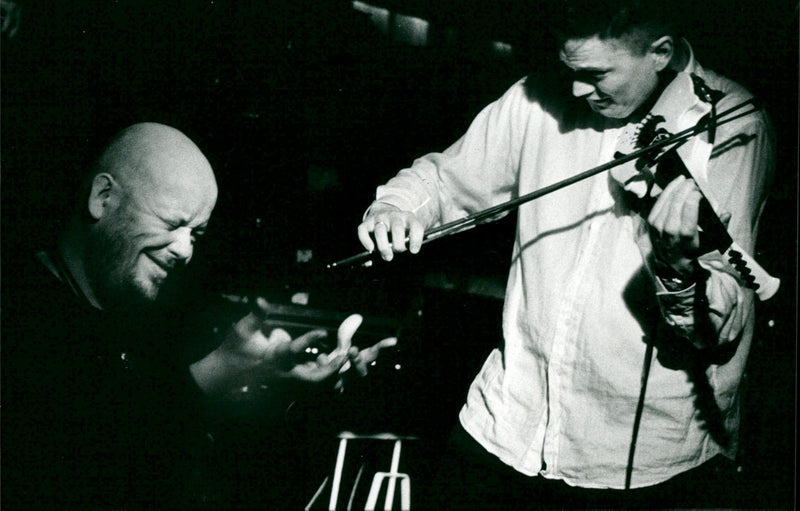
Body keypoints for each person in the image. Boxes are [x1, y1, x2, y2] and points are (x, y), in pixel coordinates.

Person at [355, 1, 775, 508]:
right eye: (569, 71)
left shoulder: (733, 124)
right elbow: (445, 179)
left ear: (660, 53)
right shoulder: (539, 96)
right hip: (508, 418)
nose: (576, 90)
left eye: (596, 74)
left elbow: (723, 317)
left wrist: (677, 268)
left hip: (638, 458)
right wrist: (399, 208)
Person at [0, 122, 397, 509]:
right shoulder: (22, 322)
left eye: (197, 234)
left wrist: (251, 372)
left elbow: (158, 427)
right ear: (102, 196)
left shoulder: (141, 319)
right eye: (173, 223)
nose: (185, 249)